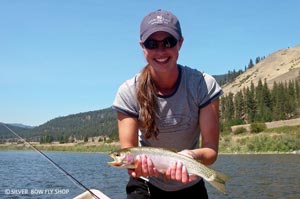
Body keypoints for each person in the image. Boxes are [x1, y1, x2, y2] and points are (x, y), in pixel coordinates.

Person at [112, 9, 223, 199]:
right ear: (142, 46)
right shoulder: (128, 91)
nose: (161, 50)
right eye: (152, 43)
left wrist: (192, 157)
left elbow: (211, 151)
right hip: (145, 185)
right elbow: (128, 151)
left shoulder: (203, 85)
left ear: (180, 43)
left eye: (168, 42)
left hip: (190, 181)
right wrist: (135, 169)